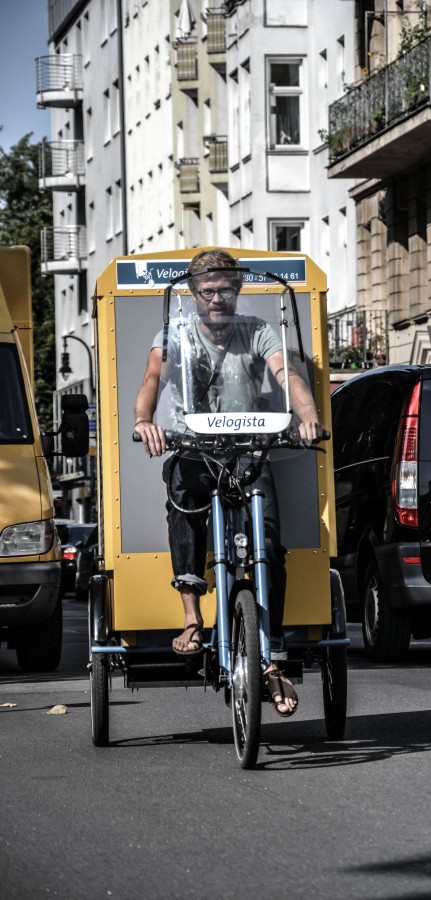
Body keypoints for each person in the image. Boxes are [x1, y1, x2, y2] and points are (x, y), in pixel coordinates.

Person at [133, 248, 324, 716]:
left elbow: (289, 375)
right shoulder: (174, 332)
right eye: (207, 291)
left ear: (237, 291)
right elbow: (153, 377)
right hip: (195, 448)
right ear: (194, 295)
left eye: (224, 290)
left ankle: (272, 654)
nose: (216, 299)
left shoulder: (257, 332)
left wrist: (309, 416)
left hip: (247, 449)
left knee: (270, 542)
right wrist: (144, 420)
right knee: (183, 496)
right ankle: (192, 618)